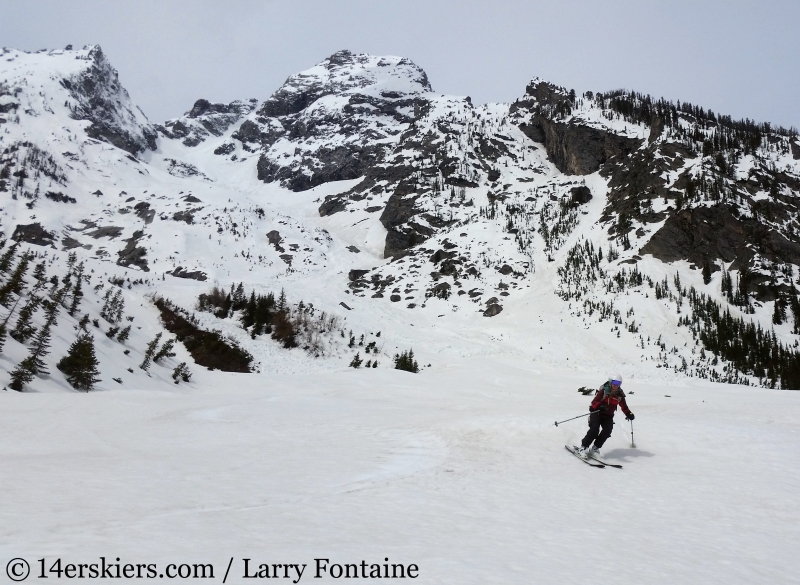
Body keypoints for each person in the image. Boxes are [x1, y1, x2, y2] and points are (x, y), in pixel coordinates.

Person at [576, 374, 634, 458]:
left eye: (618, 383)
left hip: (608, 416)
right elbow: (594, 403)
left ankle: (595, 448)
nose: (615, 385)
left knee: (607, 431)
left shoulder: (620, 395)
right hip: (597, 413)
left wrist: (629, 414)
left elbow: (624, 406)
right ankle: (583, 447)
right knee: (594, 430)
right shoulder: (603, 391)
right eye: (614, 382)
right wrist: (599, 406)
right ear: (611, 382)